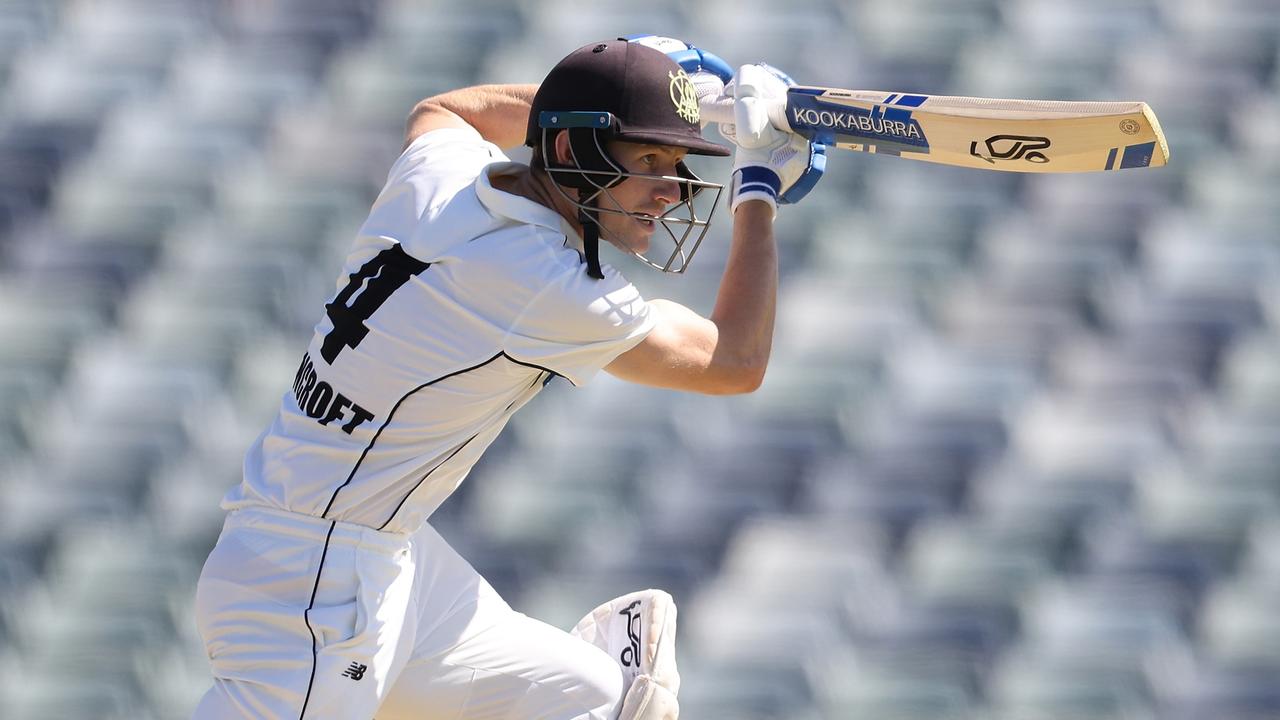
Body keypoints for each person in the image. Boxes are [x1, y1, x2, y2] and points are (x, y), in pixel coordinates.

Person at [191, 36, 824, 720]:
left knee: (604, 704)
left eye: (675, 163)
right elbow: (733, 362)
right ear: (566, 151)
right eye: (649, 160)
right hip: (317, 590)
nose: (671, 193)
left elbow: (445, 109)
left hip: (374, 555)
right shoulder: (542, 283)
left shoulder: (441, 174)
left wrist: (634, 97)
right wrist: (757, 187)